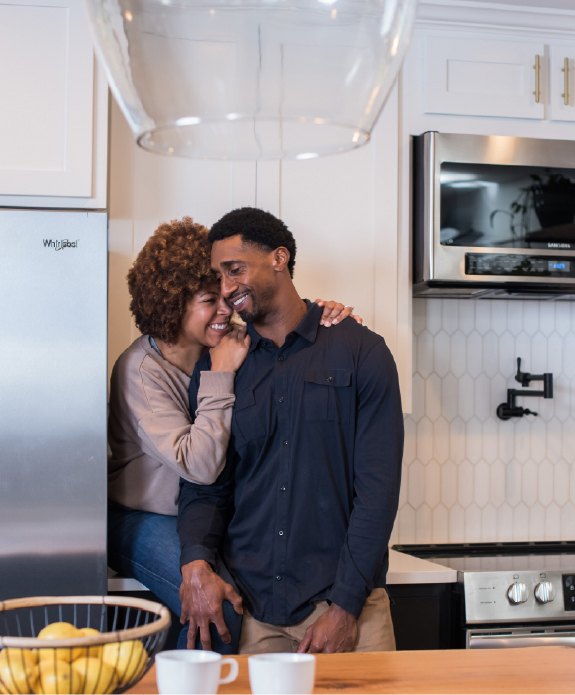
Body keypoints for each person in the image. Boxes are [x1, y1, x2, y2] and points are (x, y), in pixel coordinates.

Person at [107, 215, 356, 651]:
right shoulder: (141, 371)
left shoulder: (225, 341)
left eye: (226, 293)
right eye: (209, 300)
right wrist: (220, 375)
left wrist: (322, 313)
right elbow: (200, 466)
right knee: (218, 607)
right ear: (172, 304)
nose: (227, 307)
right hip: (145, 516)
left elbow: (282, 320)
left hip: (202, 519)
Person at [177, 207, 404, 654]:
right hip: (255, 614)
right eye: (218, 276)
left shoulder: (362, 352)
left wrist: (344, 607)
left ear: (279, 258)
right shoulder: (219, 366)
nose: (225, 289)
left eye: (234, 270)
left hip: (350, 608)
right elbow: (206, 485)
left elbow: (378, 491)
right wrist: (196, 560)